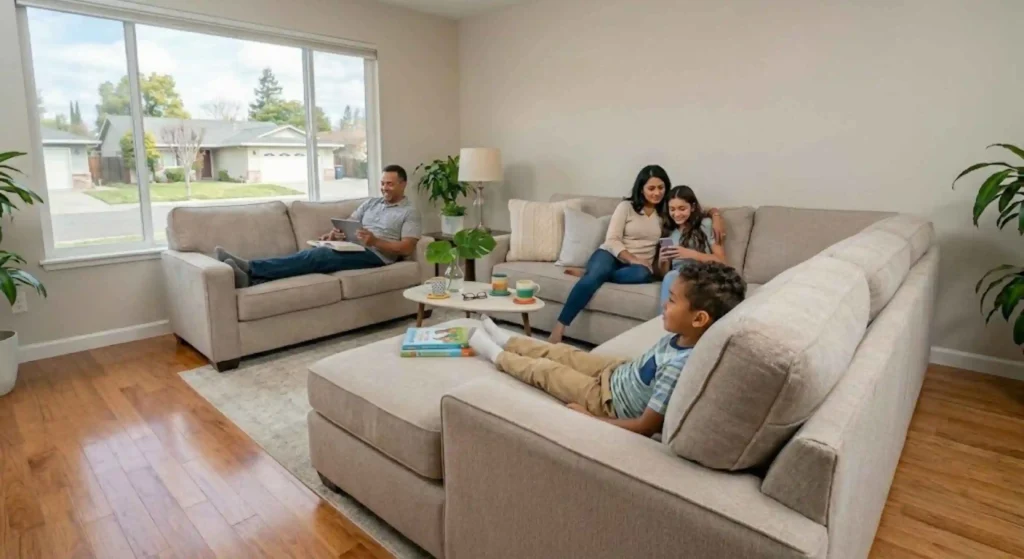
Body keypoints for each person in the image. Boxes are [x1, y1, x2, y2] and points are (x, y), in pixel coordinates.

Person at [468, 261, 746, 436]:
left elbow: (645, 426)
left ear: (699, 319)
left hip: (608, 402)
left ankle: (495, 354)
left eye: (672, 301)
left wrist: (590, 419)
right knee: (563, 352)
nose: (664, 304)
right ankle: (507, 339)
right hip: (616, 372)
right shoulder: (683, 336)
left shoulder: (678, 368)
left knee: (548, 370)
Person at [550, 165, 724, 343]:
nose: (656, 193)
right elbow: (612, 240)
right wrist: (633, 259)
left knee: (642, 274)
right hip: (612, 254)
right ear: (641, 188)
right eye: (651, 188)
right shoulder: (626, 207)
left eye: (661, 188)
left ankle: (596, 274)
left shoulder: (667, 212)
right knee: (593, 277)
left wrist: (716, 215)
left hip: (640, 267)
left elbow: (694, 208)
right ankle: (559, 327)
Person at [214, 165, 421, 288]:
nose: (384, 188)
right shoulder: (371, 203)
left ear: (403, 184)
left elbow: (407, 248)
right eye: (383, 183)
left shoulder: (409, 212)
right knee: (315, 253)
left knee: (318, 256)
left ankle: (250, 267)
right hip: (355, 247)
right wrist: (338, 234)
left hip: (377, 255)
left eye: (390, 184)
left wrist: (375, 241)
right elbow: (350, 223)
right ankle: (251, 280)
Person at [658, 185, 728, 307]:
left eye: (682, 208)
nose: (677, 214)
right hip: (676, 276)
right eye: (672, 209)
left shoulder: (706, 224)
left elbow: (722, 261)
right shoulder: (669, 232)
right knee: (671, 276)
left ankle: (664, 322)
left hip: (701, 274)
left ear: (693, 207)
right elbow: (665, 273)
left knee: (672, 277)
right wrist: (662, 260)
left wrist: (690, 254)